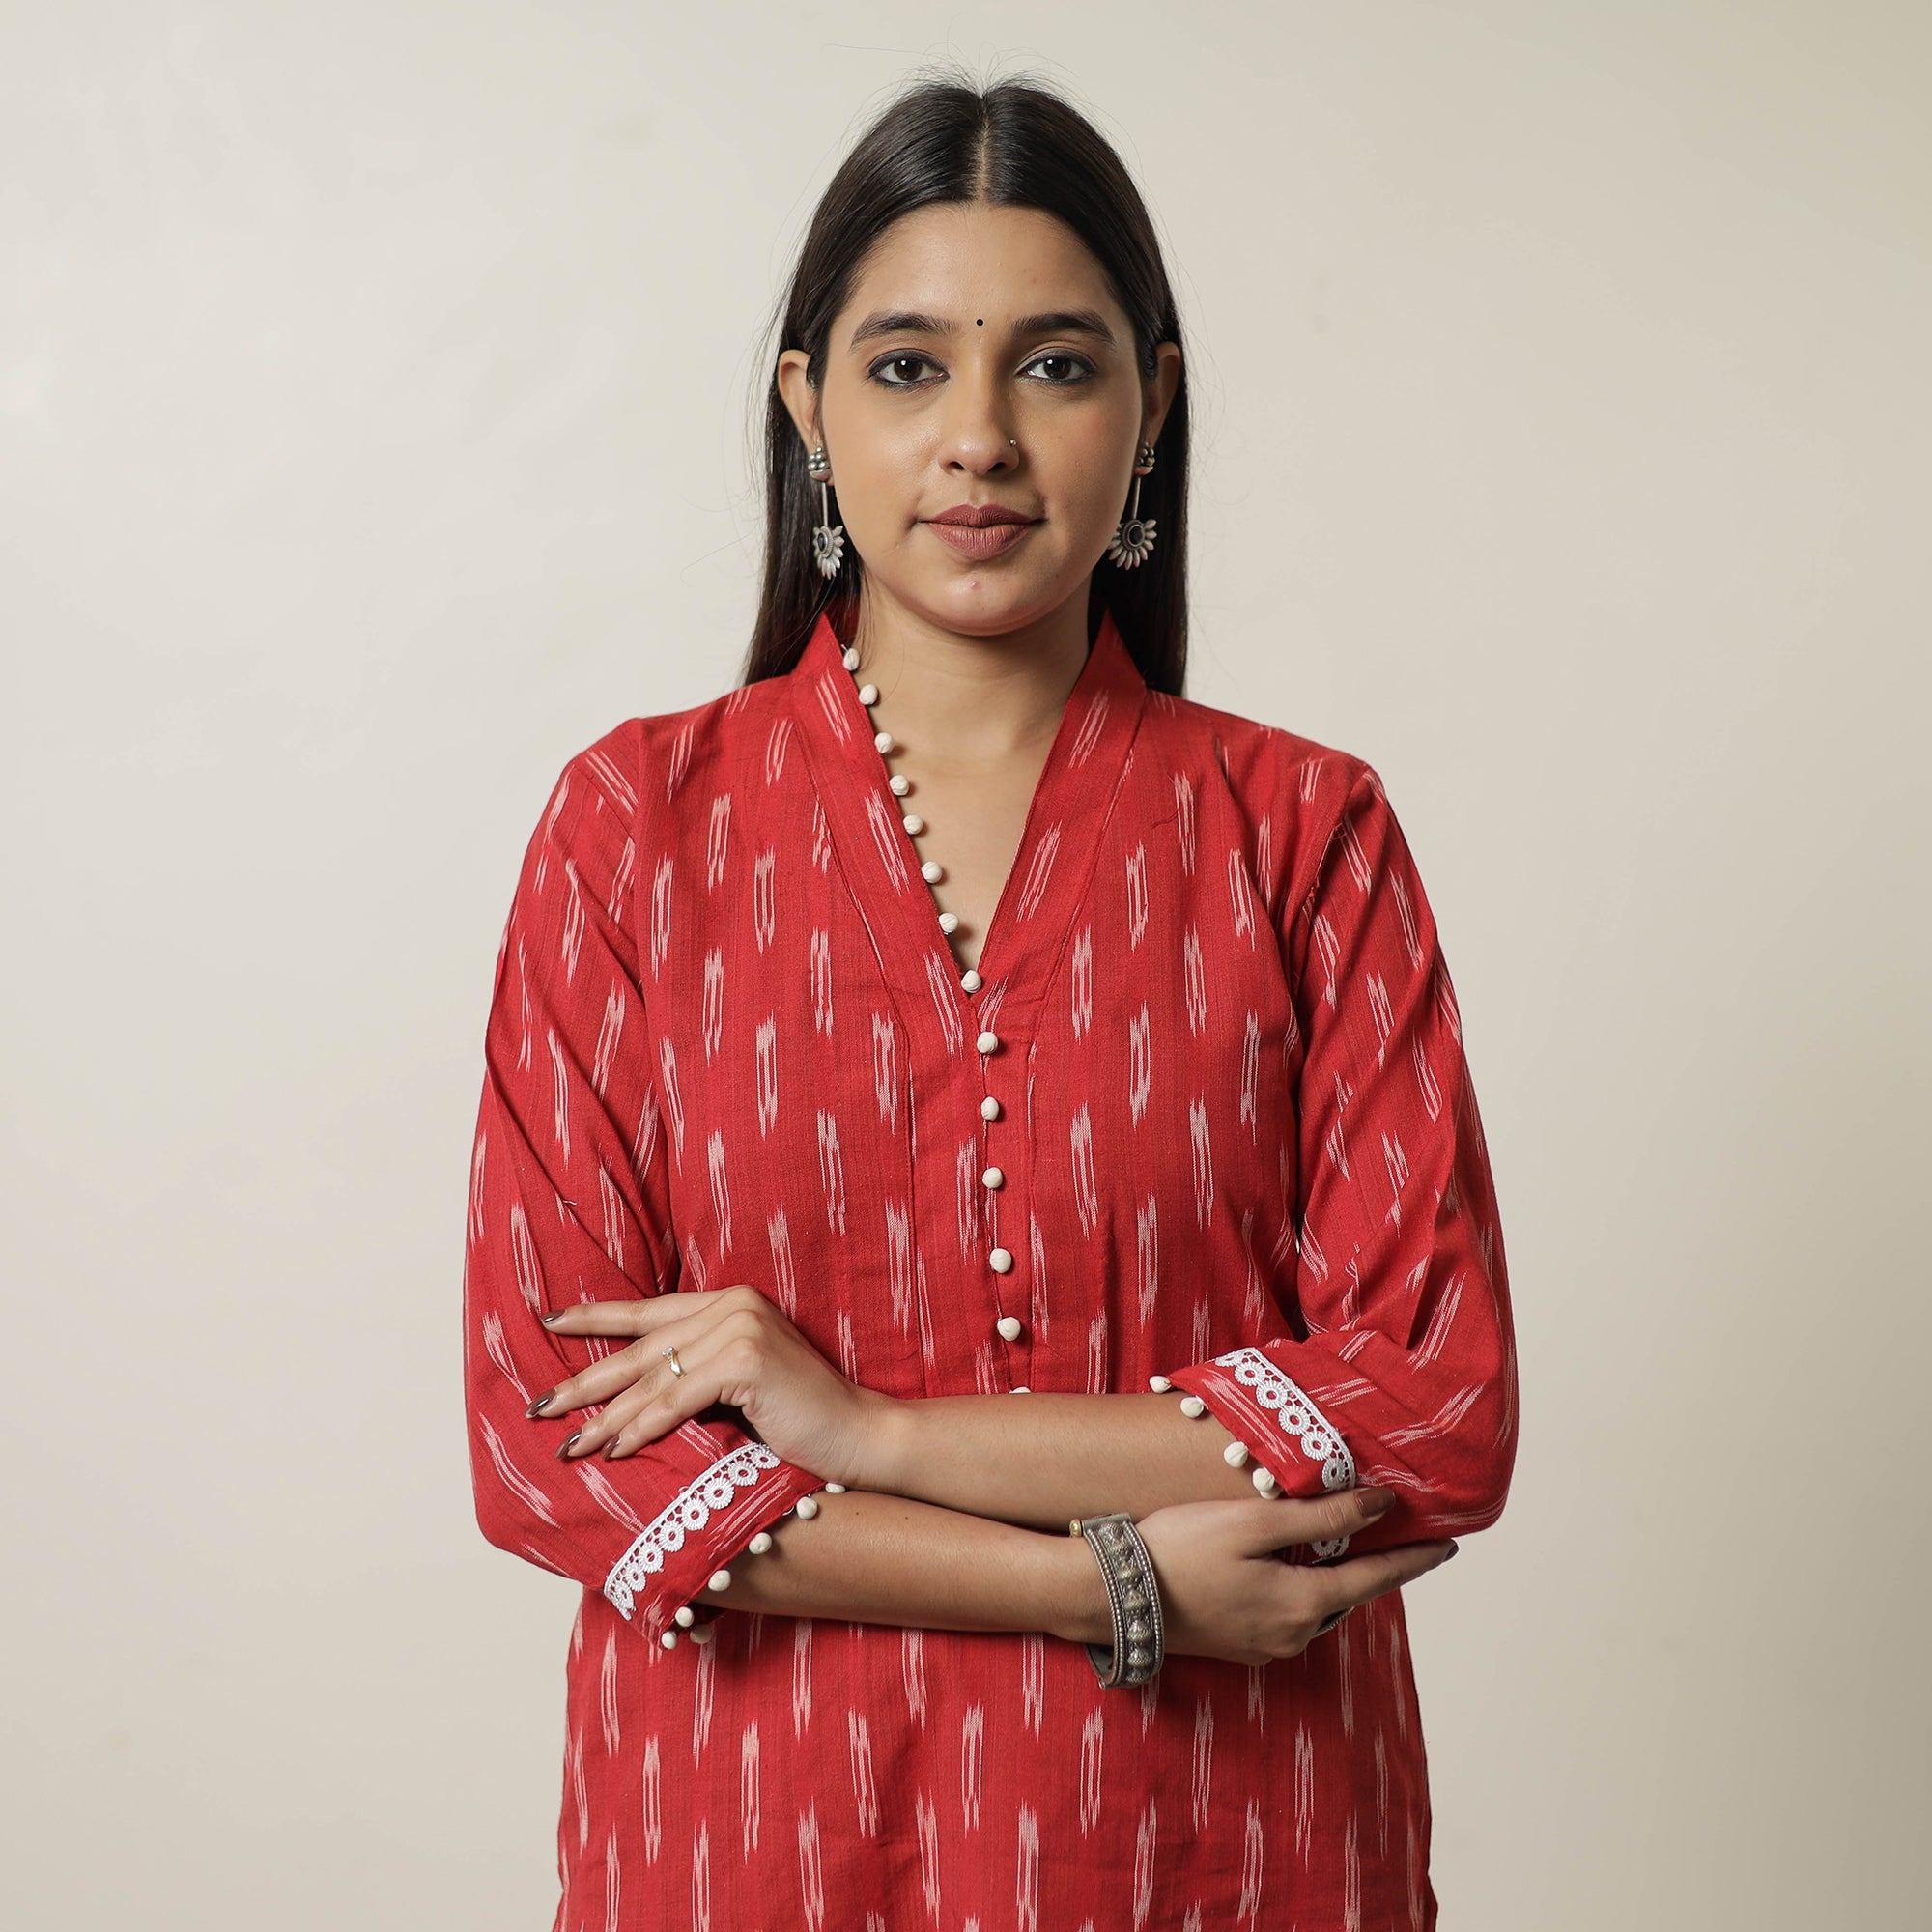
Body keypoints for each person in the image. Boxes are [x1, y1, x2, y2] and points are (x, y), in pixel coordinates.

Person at [460, 71, 1518, 1931]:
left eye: (1053, 365)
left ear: (1152, 406)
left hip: (1226, 1854)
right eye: (905, 367)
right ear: (806, 406)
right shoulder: (638, 832)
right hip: (760, 1851)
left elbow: (1433, 1402)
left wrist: (868, 1434)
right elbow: (557, 1450)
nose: (978, 440)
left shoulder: (1302, 834)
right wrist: (1110, 1583)